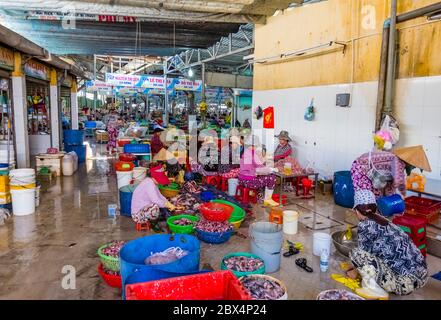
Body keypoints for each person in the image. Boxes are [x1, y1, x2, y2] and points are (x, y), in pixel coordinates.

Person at [346, 190, 428, 297]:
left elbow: (364, 256)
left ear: (356, 210)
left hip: (404, 284)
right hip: (421, 276)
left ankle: (375, 291)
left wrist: (355, 272)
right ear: (375, 208)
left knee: (356, 254)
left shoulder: (364, 225)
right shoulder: (385, 222)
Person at [351, 145, 431, 199]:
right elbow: (399, 182)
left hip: (367, 168)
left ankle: (374, 213)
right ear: (409, 162)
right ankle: (364, 214)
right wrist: (403, 196)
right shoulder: (397, 161)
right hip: (360, 166)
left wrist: (390, 194)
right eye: (413, 166)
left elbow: (391, 183)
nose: (412, 168)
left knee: (378, 192)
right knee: (366, 195)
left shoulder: (395, 160)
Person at [131, 164, 177, 230]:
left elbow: (159, 195)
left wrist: (168, 203)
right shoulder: (149, 184)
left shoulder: (152, 182)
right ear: (154, 177)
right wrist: (167, 205)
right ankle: (153, 224)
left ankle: (153, 219)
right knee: (155, 207)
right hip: (137, 215)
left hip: (144, 208)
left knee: (161, 205)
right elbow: (156, 200)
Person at [239, 135, 279, 207]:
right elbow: (257, 169)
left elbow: (257, 166)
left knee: (266, 175)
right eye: (256, 145)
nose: (257, 147)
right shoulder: (251, 153)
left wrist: (265, 168)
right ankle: (267, 199)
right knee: (272, 177)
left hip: (242, 179)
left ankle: (261, 197)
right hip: (249, 181)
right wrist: (271, 169)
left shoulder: (246, 152)